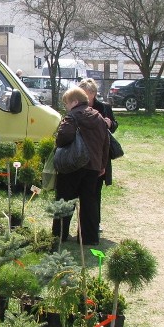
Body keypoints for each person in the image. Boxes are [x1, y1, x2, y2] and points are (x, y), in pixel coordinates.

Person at [51, 86, 109, 246]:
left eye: (67, 103)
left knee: (65, 199)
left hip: (72, 165)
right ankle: (88, 238)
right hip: (93, 166)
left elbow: (64, 137)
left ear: (75, 101)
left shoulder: (72, 116)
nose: (66, 106)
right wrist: (102, 164)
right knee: (89, 202)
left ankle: (60, 234)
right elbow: (106, 142)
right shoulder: (98, 117)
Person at [78, 77, 118, 237]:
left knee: (95, 192)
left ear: (93, 94)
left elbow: (114, 126)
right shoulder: (77, 106)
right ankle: (82, 224)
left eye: (86, 94)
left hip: (100, 155)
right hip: (81, 153)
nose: (83, 97)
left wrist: (109, 124)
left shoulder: (104, 108)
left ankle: (96, 222)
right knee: (83, 191)